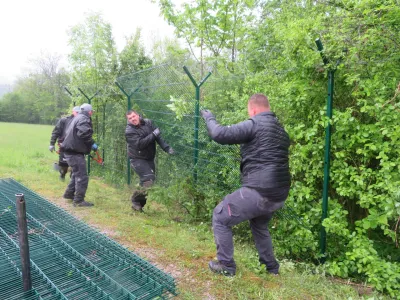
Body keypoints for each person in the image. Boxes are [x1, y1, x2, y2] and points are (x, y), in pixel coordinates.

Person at [200, 93, 291, 277]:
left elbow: (219, 133)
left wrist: (209, 118)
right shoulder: (281, 131)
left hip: (259, 190)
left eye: (249, 112)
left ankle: (226, 265)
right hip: (279, 193)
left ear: (254, 109)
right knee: (260, 225)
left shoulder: (255, 124)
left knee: (220, 217)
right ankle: (271, 268)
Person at [125, 110, 174, 212]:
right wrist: (153, 134)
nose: (133, 119)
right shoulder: (129, 131)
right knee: (149, 179)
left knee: (147, 183)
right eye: (130, 118)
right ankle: (135, 201)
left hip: (149, 158)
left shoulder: (148, 122)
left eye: (134, 116)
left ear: (138, 115)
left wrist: (167, 148)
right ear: (128, 120)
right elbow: (140, 144)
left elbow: (158, 137)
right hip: (136, 158)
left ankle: (138, 204)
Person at [61, 103, 98, 207]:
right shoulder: (84, 119)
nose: (91, 113)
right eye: (91, 112)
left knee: (76, 174)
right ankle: (78, 201)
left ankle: (69, 194)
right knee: (82, 176)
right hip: (74, 152)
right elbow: (84, 133)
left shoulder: (77, 117)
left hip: (70, 150)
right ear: (89, 111)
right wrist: (91, 143)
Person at [49, 106, 80, 180]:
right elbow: (56, 132)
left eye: (79, 113)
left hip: (76, 147)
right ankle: (62, 174)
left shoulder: (81, 122)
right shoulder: (64, 120)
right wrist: (52, 144)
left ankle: (72, 179)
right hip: (64, 146)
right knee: (64, 165)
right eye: (77, 112)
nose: (78, 114)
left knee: (76, 165)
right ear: (73, 112)